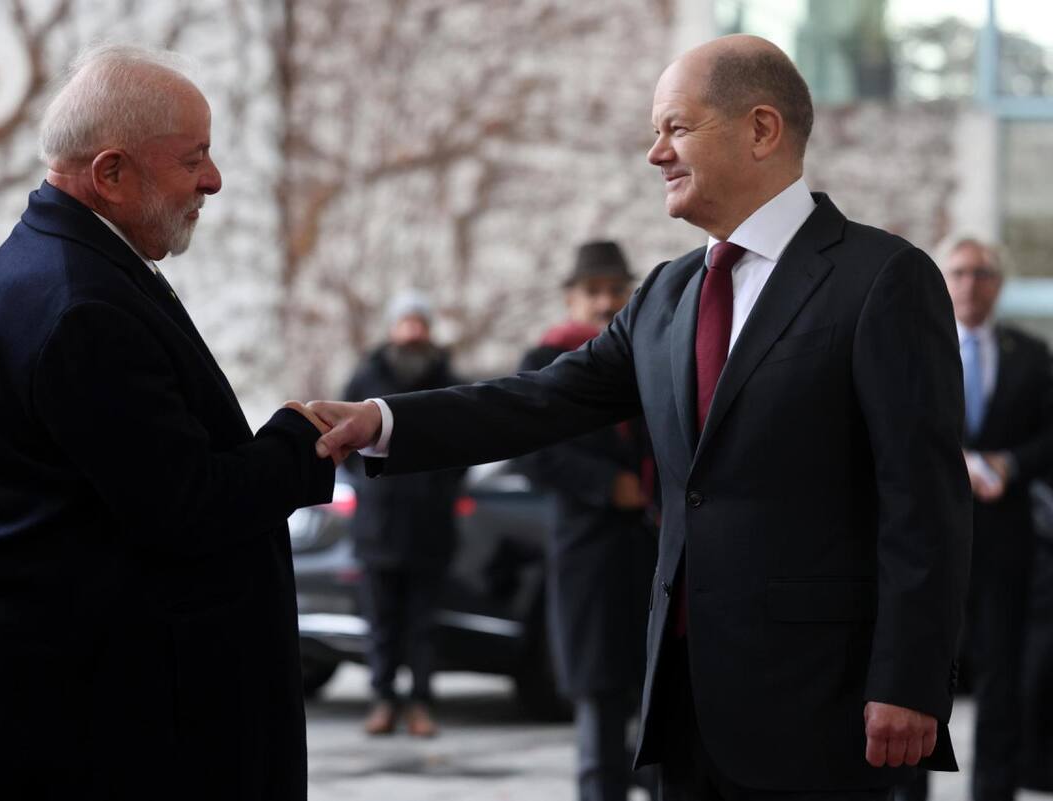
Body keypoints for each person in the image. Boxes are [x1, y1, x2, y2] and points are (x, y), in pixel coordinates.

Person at [306, 34, 972, 799]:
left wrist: (910, 679)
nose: (655, 153)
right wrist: (383, 419)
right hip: (680, 704)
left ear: (762, 129)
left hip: (821, 703)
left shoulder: (882, 280)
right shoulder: (666, 294)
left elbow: (925, 502)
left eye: (676, 127)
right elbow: (543, 399)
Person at [0, 45, 334, 801]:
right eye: (193, 157)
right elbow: (186, 507)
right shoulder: (82, 304)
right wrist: (300, 436)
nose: (214, 179)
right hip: (103, 737)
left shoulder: (65, 263)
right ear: (111, 174)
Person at [896, 237, 1053, 801]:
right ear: (942, 280)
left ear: (999, 282)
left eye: (982, 273)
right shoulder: (911, 349)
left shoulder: (1030, 356)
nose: (970, 283)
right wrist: (953, 461)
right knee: (917, 674)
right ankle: (909, 789)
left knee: (1002, 678)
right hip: (927, 542)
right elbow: (894, 431)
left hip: (1004, 538)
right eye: (959, 272)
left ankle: (994, 790)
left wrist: (1009, 464)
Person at [515, 241, 658, 801]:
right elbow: (532, 451)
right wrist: (607, 485)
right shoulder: (545, 359)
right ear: (571, 299)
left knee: (657, 715)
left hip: (652, 552)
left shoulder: (644, 354)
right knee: (600, 711)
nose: (605, 303)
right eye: (593, 292)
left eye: (615, 291)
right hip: (589, 556)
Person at [343, 291, 464, 737]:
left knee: (423, 626)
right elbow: (344, 441)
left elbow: (467, 444)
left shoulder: (447, 376)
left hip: (431, 528)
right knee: (381, 625)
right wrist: (371, 481)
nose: (412, 331)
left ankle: (421, 704)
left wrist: (438, 485)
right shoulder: (367, 376)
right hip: (378, 528)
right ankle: (382, 700)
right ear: (393, 329)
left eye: (419, 322)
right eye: (405, 322)